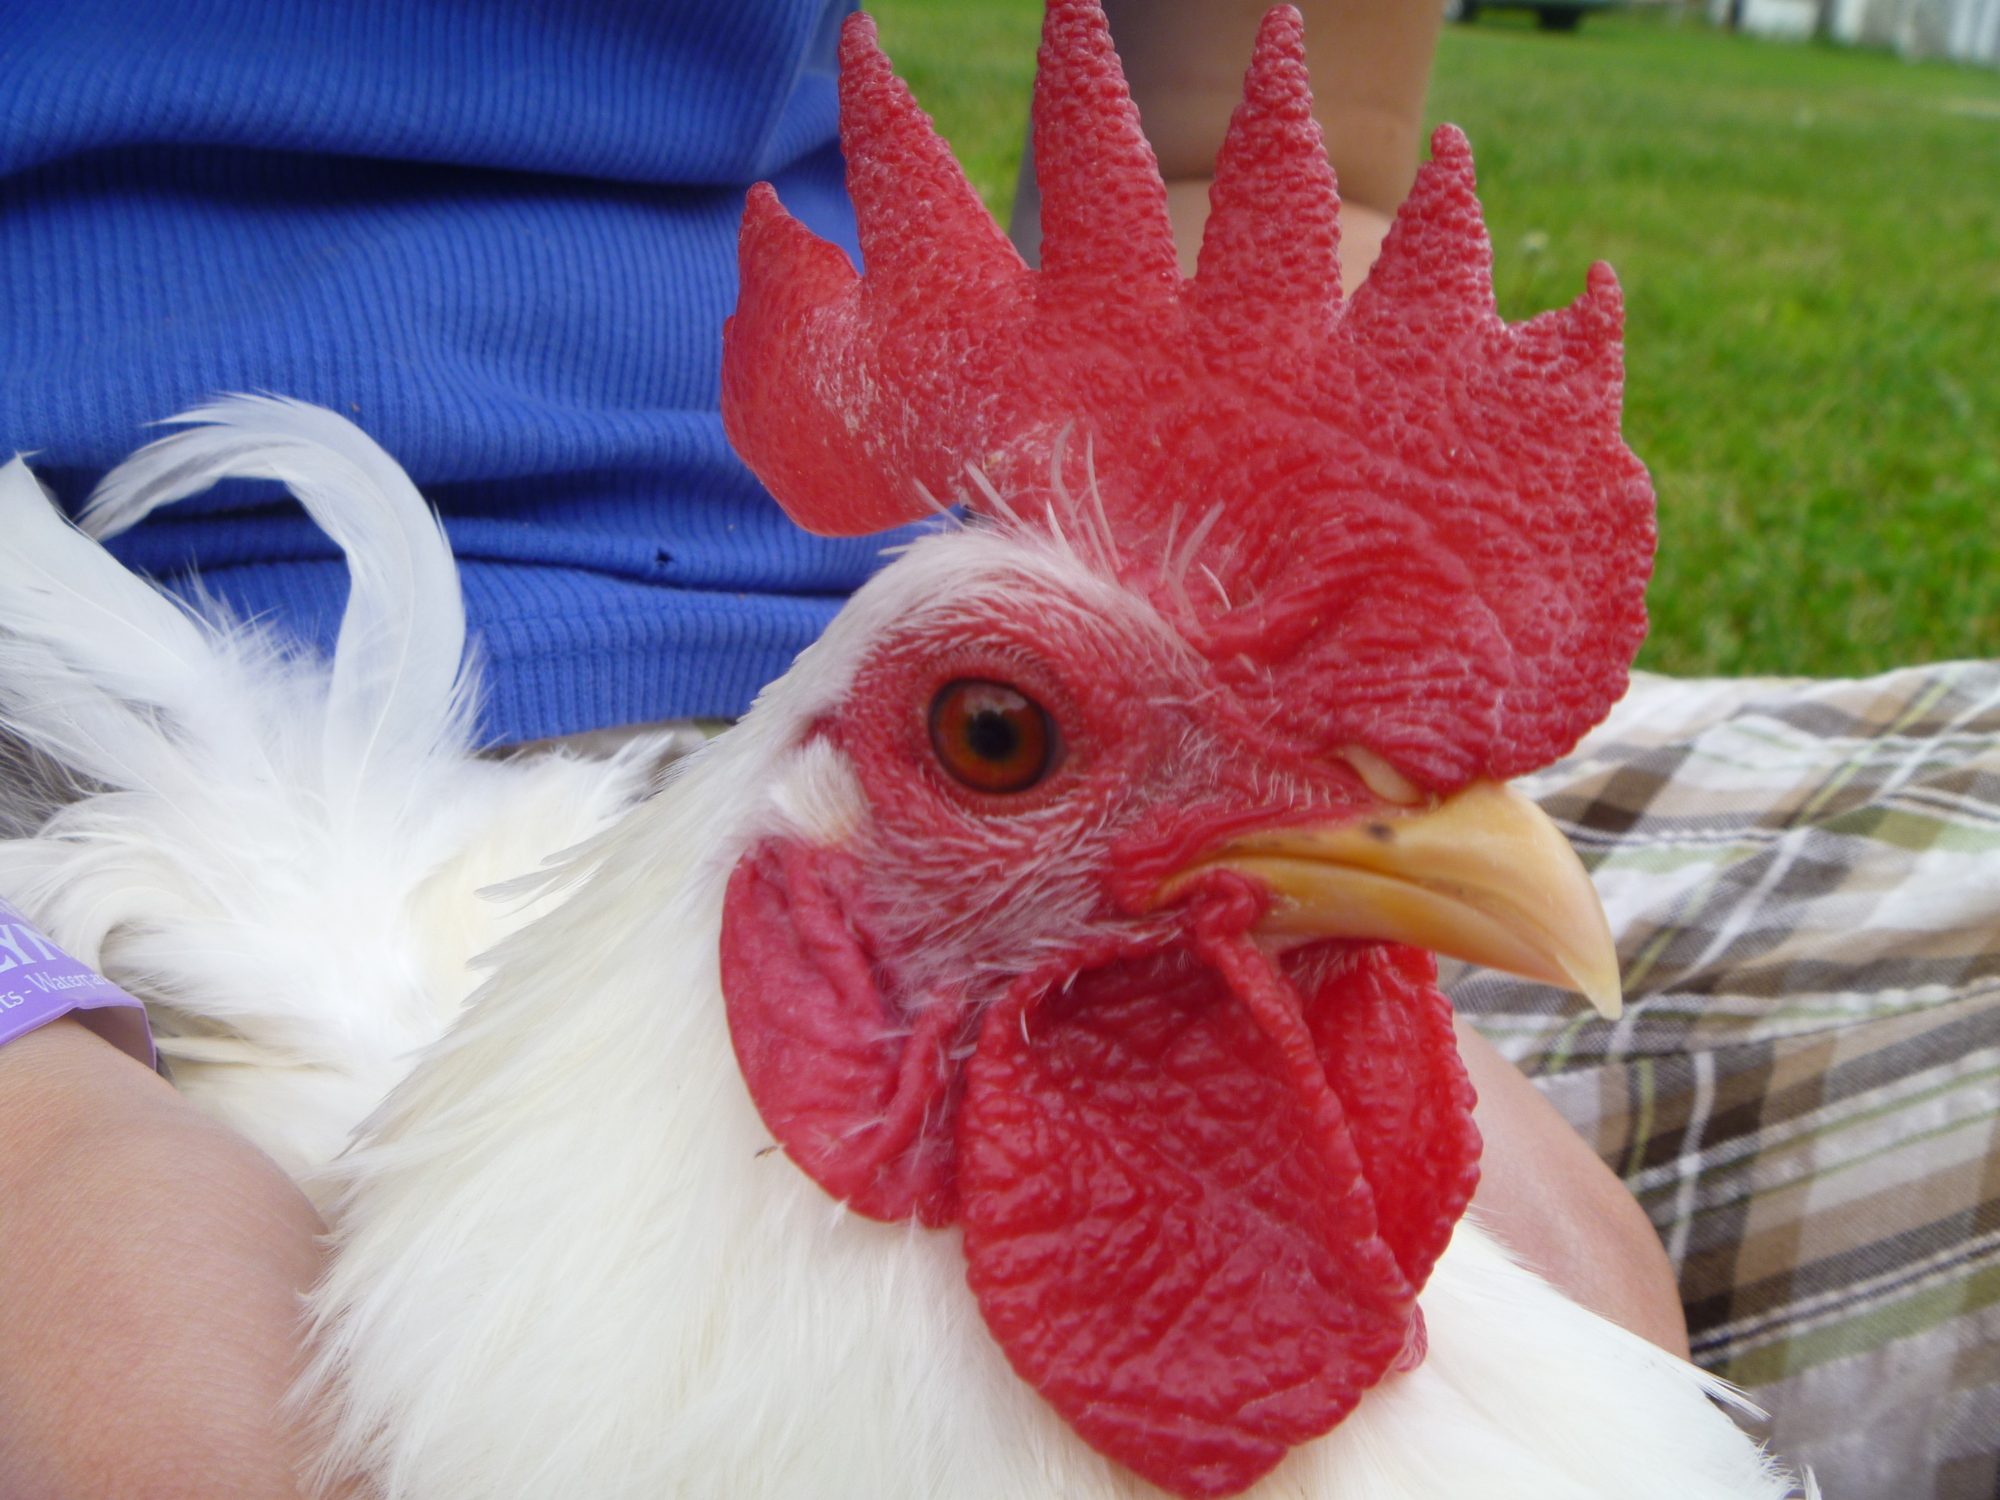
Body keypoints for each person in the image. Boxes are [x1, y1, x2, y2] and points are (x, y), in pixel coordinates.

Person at [0, 3, 1694, 1495]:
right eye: (998, 740)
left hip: (780, 589)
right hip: (62, 655)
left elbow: (1235, 151)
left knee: (1577, 1320)